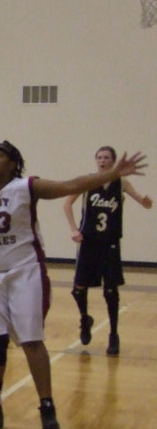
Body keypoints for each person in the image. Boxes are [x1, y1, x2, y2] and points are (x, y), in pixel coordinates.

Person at [0, 140, 147, 429]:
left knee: (31, 340)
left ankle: (46, 406)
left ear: (12, 163)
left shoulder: (27, 186)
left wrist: (111, 174)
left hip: (24, 271)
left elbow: (70, 184)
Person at [62, 146, 152, 355]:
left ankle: (113, 334)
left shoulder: (122, 183)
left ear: (113, 161)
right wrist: (74, 229)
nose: (102, 160)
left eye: (106, 157)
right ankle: (85, 319)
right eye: (99, 157)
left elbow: (143, 202)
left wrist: (147, 203)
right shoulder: (88, 181)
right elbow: (67, 204)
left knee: (111, 290)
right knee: (78, 289)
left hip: (110, 243)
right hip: (89, 242)